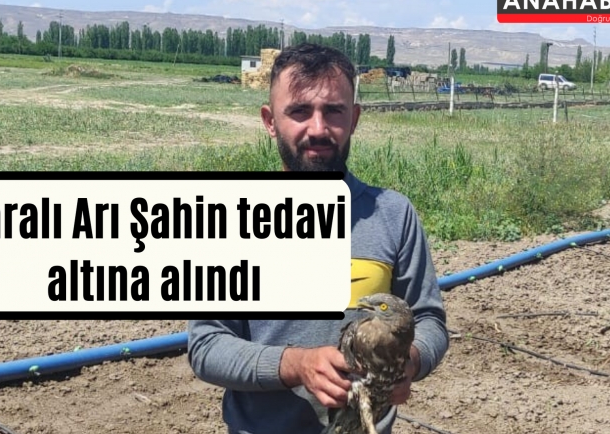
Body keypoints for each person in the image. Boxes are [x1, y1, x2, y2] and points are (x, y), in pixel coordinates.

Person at [187, 43, 449, 434]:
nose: (318, 129)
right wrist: (296, 365)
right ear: (270, 121)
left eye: (334, 111)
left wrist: (410, 360)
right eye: (299, 111)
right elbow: (207, 345)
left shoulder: (393, 215)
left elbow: (428, 320)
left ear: (354, 119)